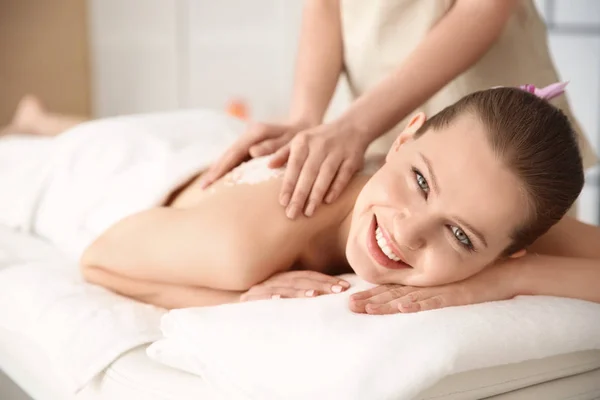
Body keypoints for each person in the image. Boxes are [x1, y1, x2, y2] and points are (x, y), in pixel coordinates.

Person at [0, 88, 598, 316]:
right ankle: (38, 126)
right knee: (47, 152)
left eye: (461, 237)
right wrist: (235, 296)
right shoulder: (244, 244)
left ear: (513, 251)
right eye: (418, 182)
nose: (410, 233)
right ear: (405, 135)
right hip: (106, 175)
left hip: (207, 142)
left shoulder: (489, 204)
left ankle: (44, 115)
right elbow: (99, 260)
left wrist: (495, 285)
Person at [200, 0, 597, 221]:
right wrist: (306, 117)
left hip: (499, 127)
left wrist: (355, 126)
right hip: (374, 122)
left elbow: (484, 7)